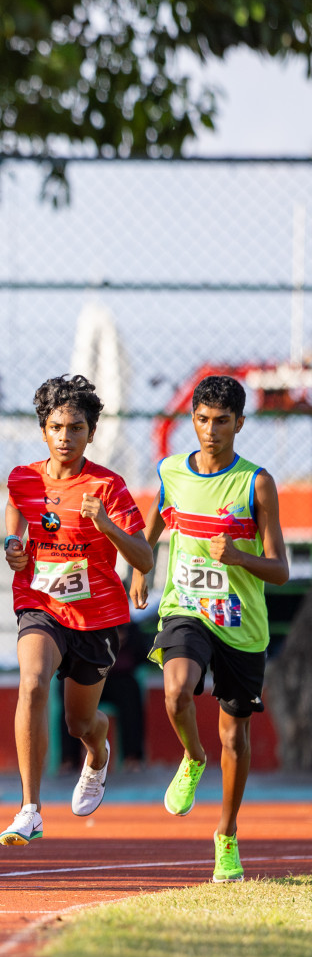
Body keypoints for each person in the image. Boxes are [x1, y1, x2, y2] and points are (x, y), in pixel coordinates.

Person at [130, 374, 288, 883]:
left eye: (222, 421)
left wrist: (239, 556)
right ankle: (192, 758)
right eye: (201, 419)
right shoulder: (171, 471)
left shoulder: (255, 483)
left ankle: (226, 836)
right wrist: (141, 568)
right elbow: (154, 524)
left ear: (240, 423)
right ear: (191, 420)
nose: (210, 430)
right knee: (176, 690)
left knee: (234, 735)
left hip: (241, 624)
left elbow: (280, 568)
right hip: (188, 608)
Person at [0, 375, 152, 846]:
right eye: (57, 426)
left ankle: (98, 749)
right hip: (39, 605)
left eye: (77, 428)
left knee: (79, 723)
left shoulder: (108, 486)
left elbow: (145, 559)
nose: (66, 437)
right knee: (32, 682)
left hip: (97, 618)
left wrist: (105, 524)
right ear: (44, 429)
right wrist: (12, 543)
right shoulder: (23, 478)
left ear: (91, 432)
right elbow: (15, 509)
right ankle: (30, 809)